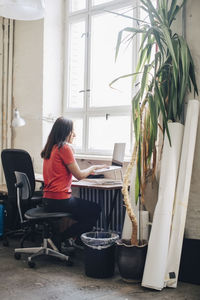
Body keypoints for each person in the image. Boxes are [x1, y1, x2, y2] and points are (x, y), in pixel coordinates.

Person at [41, 117, 107, 249]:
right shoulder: (64, 148)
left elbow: (66, 173)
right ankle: (60, 238)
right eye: (72, 131)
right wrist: (93, 168)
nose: (74, 134)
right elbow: (80, 175)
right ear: (65, 132)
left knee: (84, 211)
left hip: (48, 200)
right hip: (60, 200)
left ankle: (70, 238)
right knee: (95, 209)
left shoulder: (51, 148)